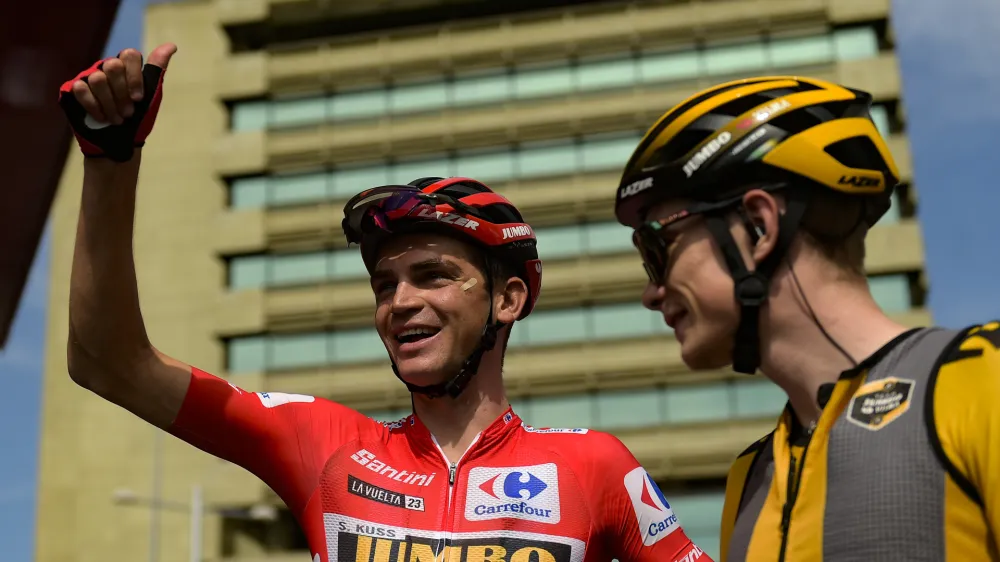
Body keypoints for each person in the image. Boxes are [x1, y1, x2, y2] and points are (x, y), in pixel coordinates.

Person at [57, 44, 713, 562]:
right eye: (384, 285)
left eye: (432, 275)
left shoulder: (593, 466)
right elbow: (107, 362)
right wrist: (111, 161)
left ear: (508, 299)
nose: (400, 301)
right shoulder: (323, 445)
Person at [611, 74, 1000, 561]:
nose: (651, 292)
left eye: (657, 247)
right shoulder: (748, 478)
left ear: (759, 226)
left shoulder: (983, 374)